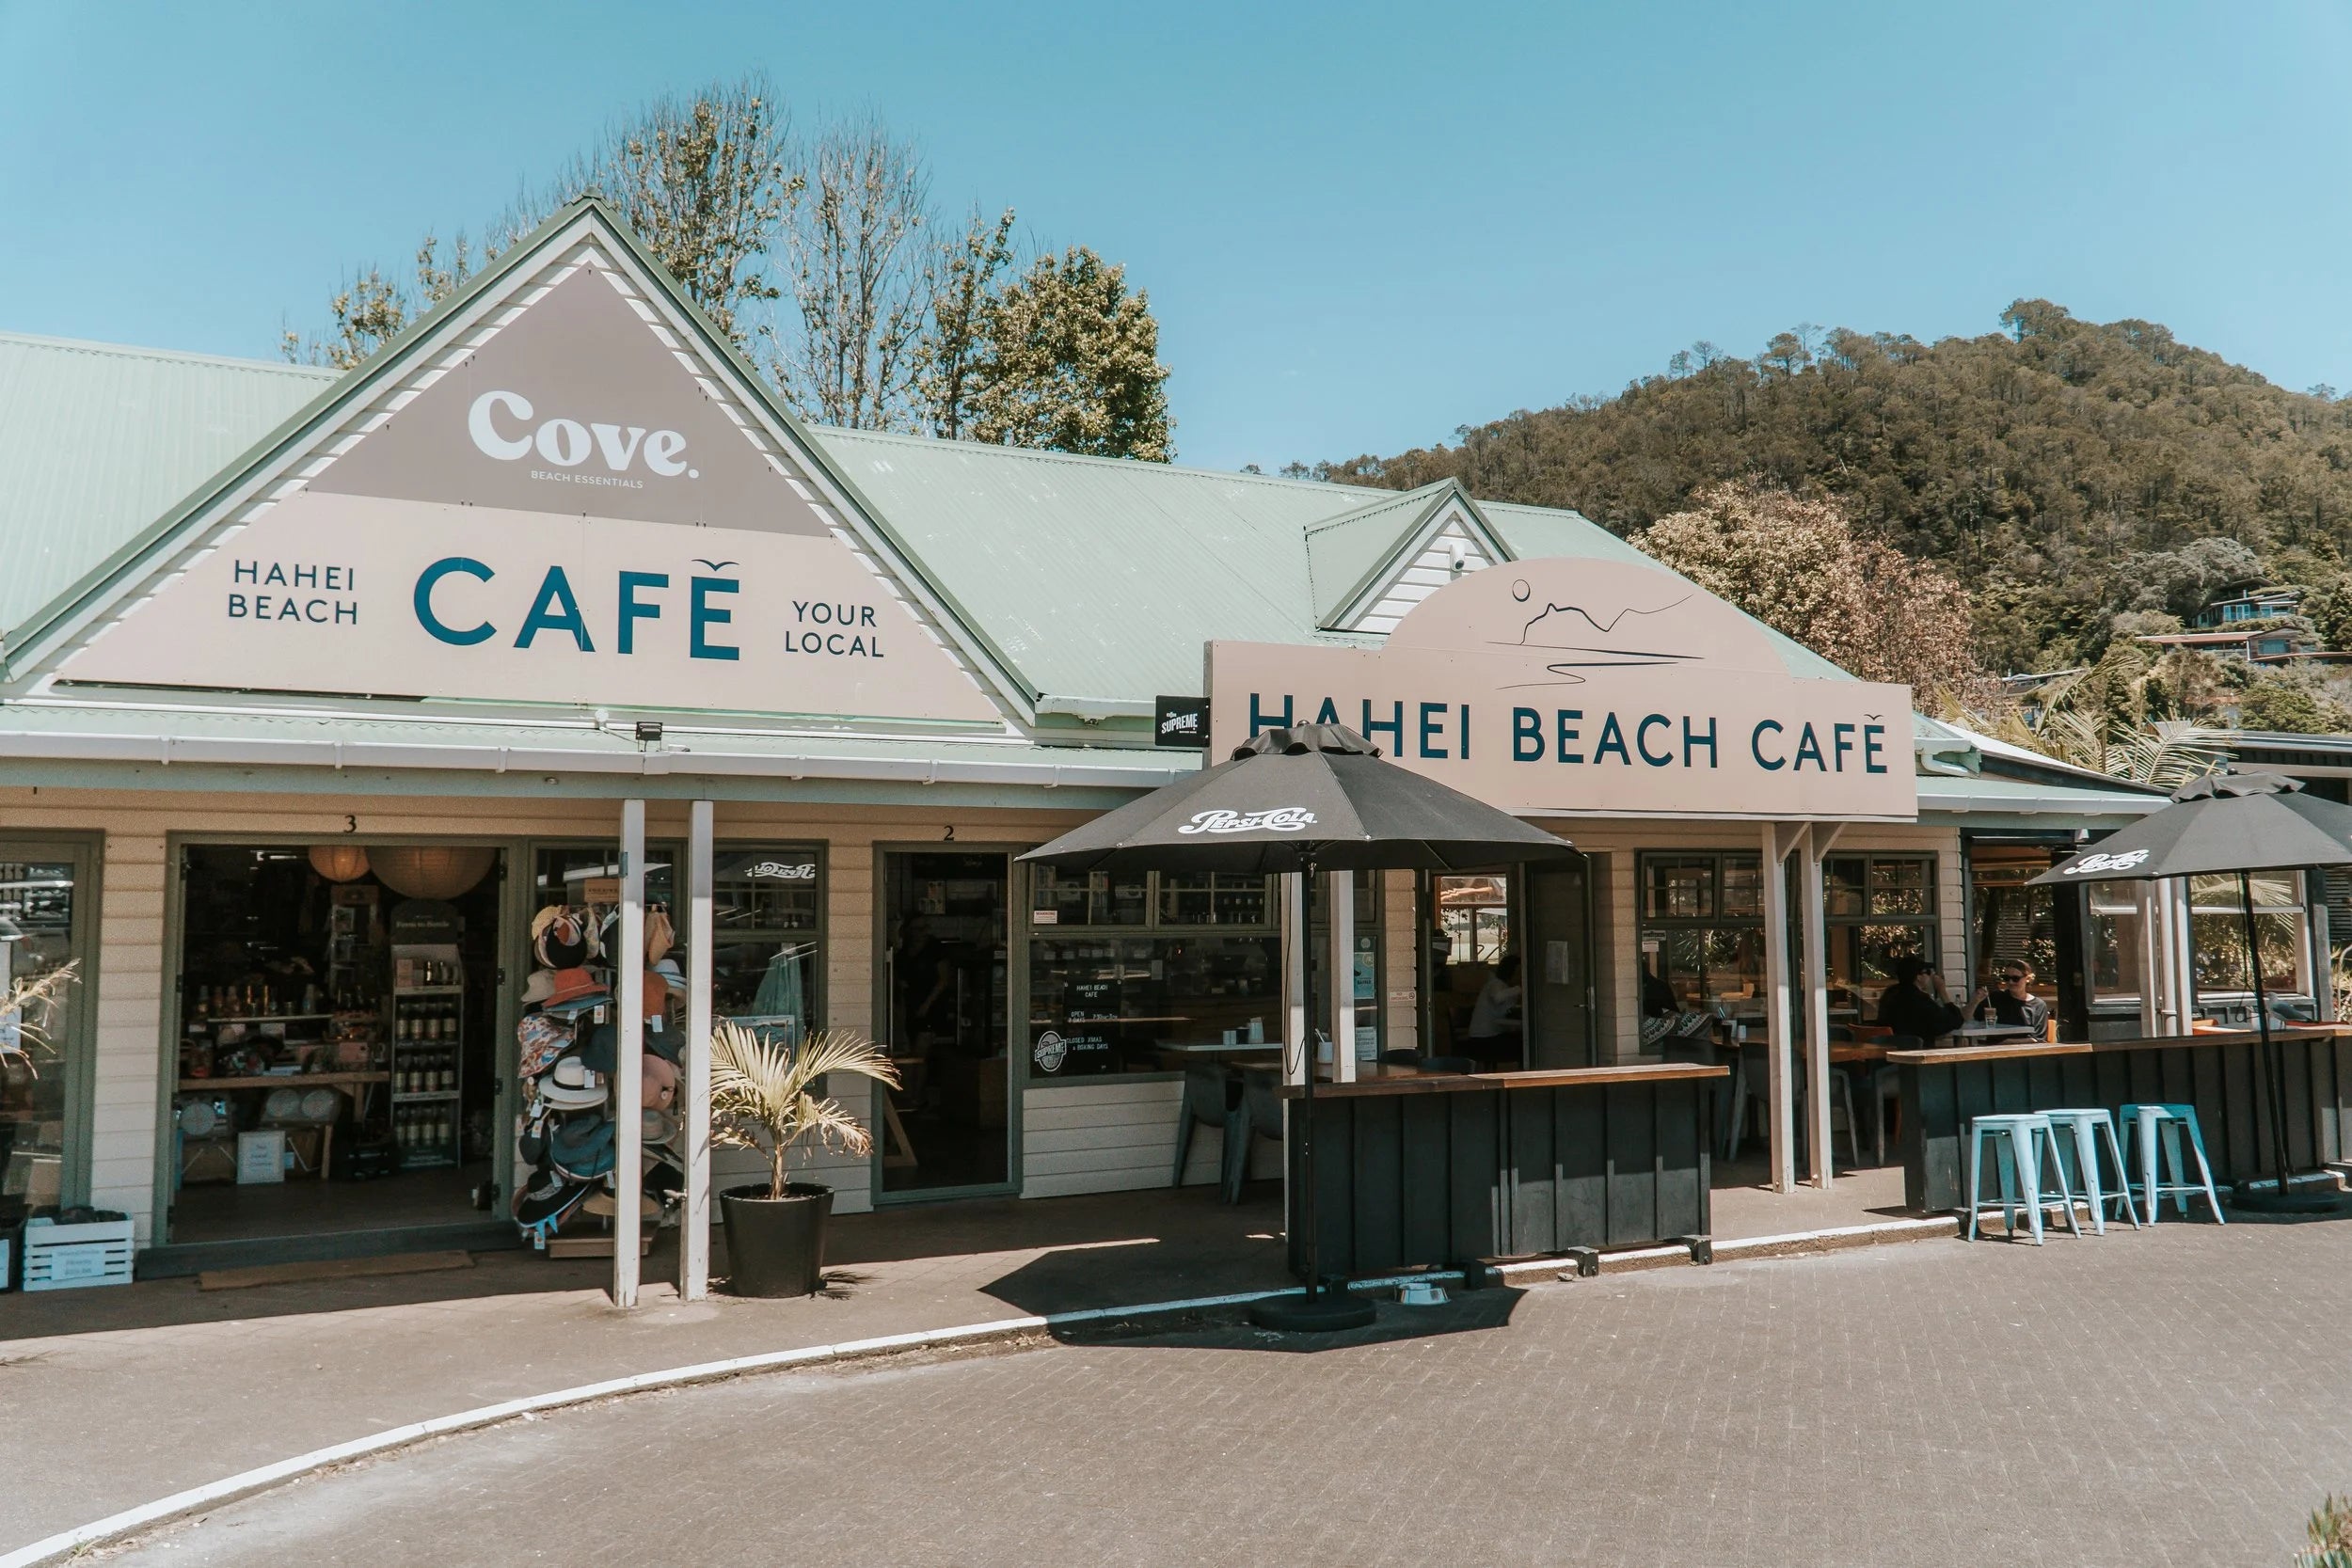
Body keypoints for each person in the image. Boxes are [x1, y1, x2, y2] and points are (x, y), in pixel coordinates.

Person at [1877, 955, 1964, 1043]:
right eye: (1928, 972)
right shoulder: (1919, 999)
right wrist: (1942, 991)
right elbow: (1954, 1021)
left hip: (1889, 1049)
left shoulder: (1890, 994)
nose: (1930, 976)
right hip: (1916, 1050)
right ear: (1918, 977)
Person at [1465, 953, 1523, 1067]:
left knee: (1520, 1041)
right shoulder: (1495, 984)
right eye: (1518, 972)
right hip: (1482, 1040)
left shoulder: (1506, 987)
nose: (1520, 976)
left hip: (1493, 1035)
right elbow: (1498, 997)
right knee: (1522, 1046)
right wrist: (1520, 988)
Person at [1972, 962, 2052, 1035]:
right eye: (2006, 978)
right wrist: (1975, 1001)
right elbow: (1969, 1019)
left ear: (2027, 979)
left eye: (2015, 978)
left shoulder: (2038, 1005)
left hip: (2024, 1049)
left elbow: (2038, 1038)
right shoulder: (1995, 998)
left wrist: (2001, 1042)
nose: (2010, 982)